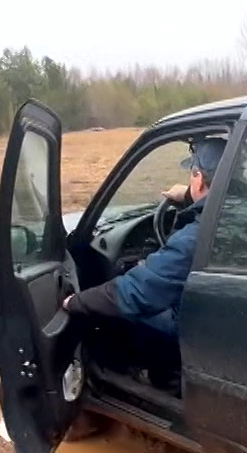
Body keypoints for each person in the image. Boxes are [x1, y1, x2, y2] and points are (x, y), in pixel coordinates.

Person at [62, 135, 224, 337]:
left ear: (199, 180)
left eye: (192, 174)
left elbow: (135, 293)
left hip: (195, 330)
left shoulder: (195, 237)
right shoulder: (246, 214)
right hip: (226, 317)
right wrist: (190, 198)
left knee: (117, 319)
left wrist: (76, 302)